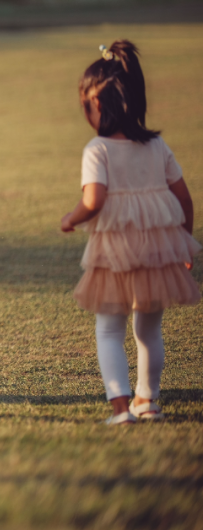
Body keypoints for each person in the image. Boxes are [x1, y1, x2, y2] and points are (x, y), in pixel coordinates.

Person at [61, 41, 200, 426]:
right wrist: (183, 243)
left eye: (85, 105)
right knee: (148, 330)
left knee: (109, 328)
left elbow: (94, 200)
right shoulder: (157, 146)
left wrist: (71, 219)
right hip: (159, 252)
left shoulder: (97, 150)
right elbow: (184, 200)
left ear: (98, 107)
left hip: (115, 254)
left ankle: (121, 408)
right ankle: (147, 401)